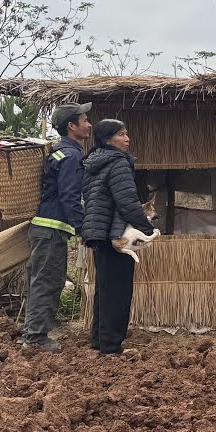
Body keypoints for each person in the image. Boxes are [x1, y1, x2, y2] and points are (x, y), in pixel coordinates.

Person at [80, 119, 156, 356]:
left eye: (127, 134)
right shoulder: (119, 163)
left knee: (105, 290)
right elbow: (127, 202)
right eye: (122, 135)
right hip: (116, 236)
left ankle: (99, 341)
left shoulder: (93, 163)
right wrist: (146, 228)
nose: (127, 139)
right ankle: (112, 347)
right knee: (119, 292)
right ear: (108, 140)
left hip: (98, 233)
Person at [22, 102, 93, 353]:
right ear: (71, 126)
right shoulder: (72, 155)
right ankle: (35, 339)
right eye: (84, 120)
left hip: (42, 229)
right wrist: (84, 229)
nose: (89, 124)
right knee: (49, 282)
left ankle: (31, 333)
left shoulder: (59, 151)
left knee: (38, 281)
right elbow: (70, 197)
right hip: (52, 230)